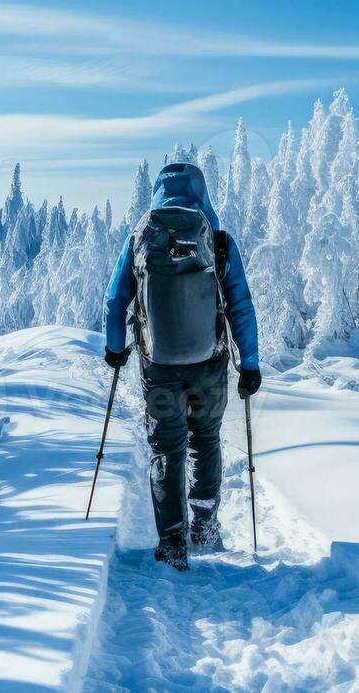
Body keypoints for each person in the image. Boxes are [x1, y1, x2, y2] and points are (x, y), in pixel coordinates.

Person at [103, 162, 260, 571]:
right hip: (210, 362)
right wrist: (251, 363)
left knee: (165, 448)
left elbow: (115, 300)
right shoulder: (218, 241)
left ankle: (173, 541)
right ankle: (205, 525)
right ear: (202, 193)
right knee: (205, 440)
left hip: (158, 365)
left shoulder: (140, 238)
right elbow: (240, 305)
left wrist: (115, 348)